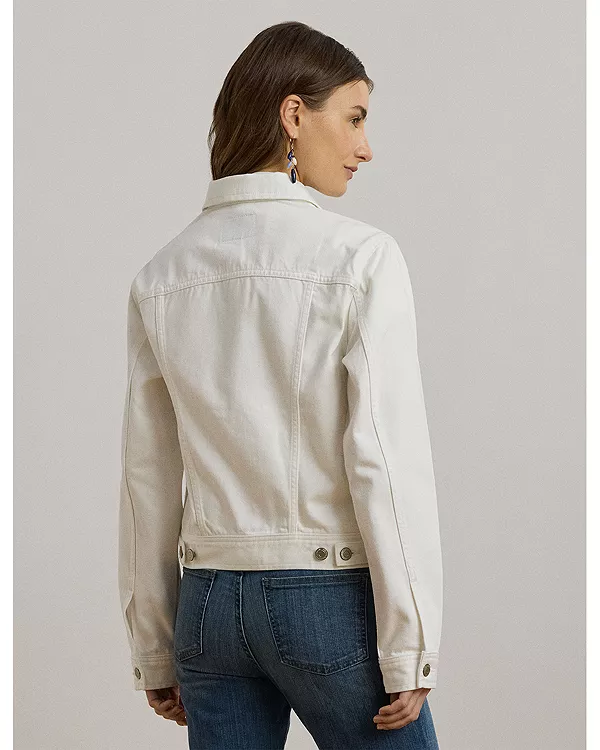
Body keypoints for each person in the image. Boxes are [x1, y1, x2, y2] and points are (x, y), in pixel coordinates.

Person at [118, 20, 443, 750]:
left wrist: (154, 646)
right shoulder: (362, 259)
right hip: (324, 601)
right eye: (354, 118)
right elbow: (385, 460)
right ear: (294, 115)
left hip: (207, 607)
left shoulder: (161, 275)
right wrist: (411, 642)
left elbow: (147, 476)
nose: (366, 147)